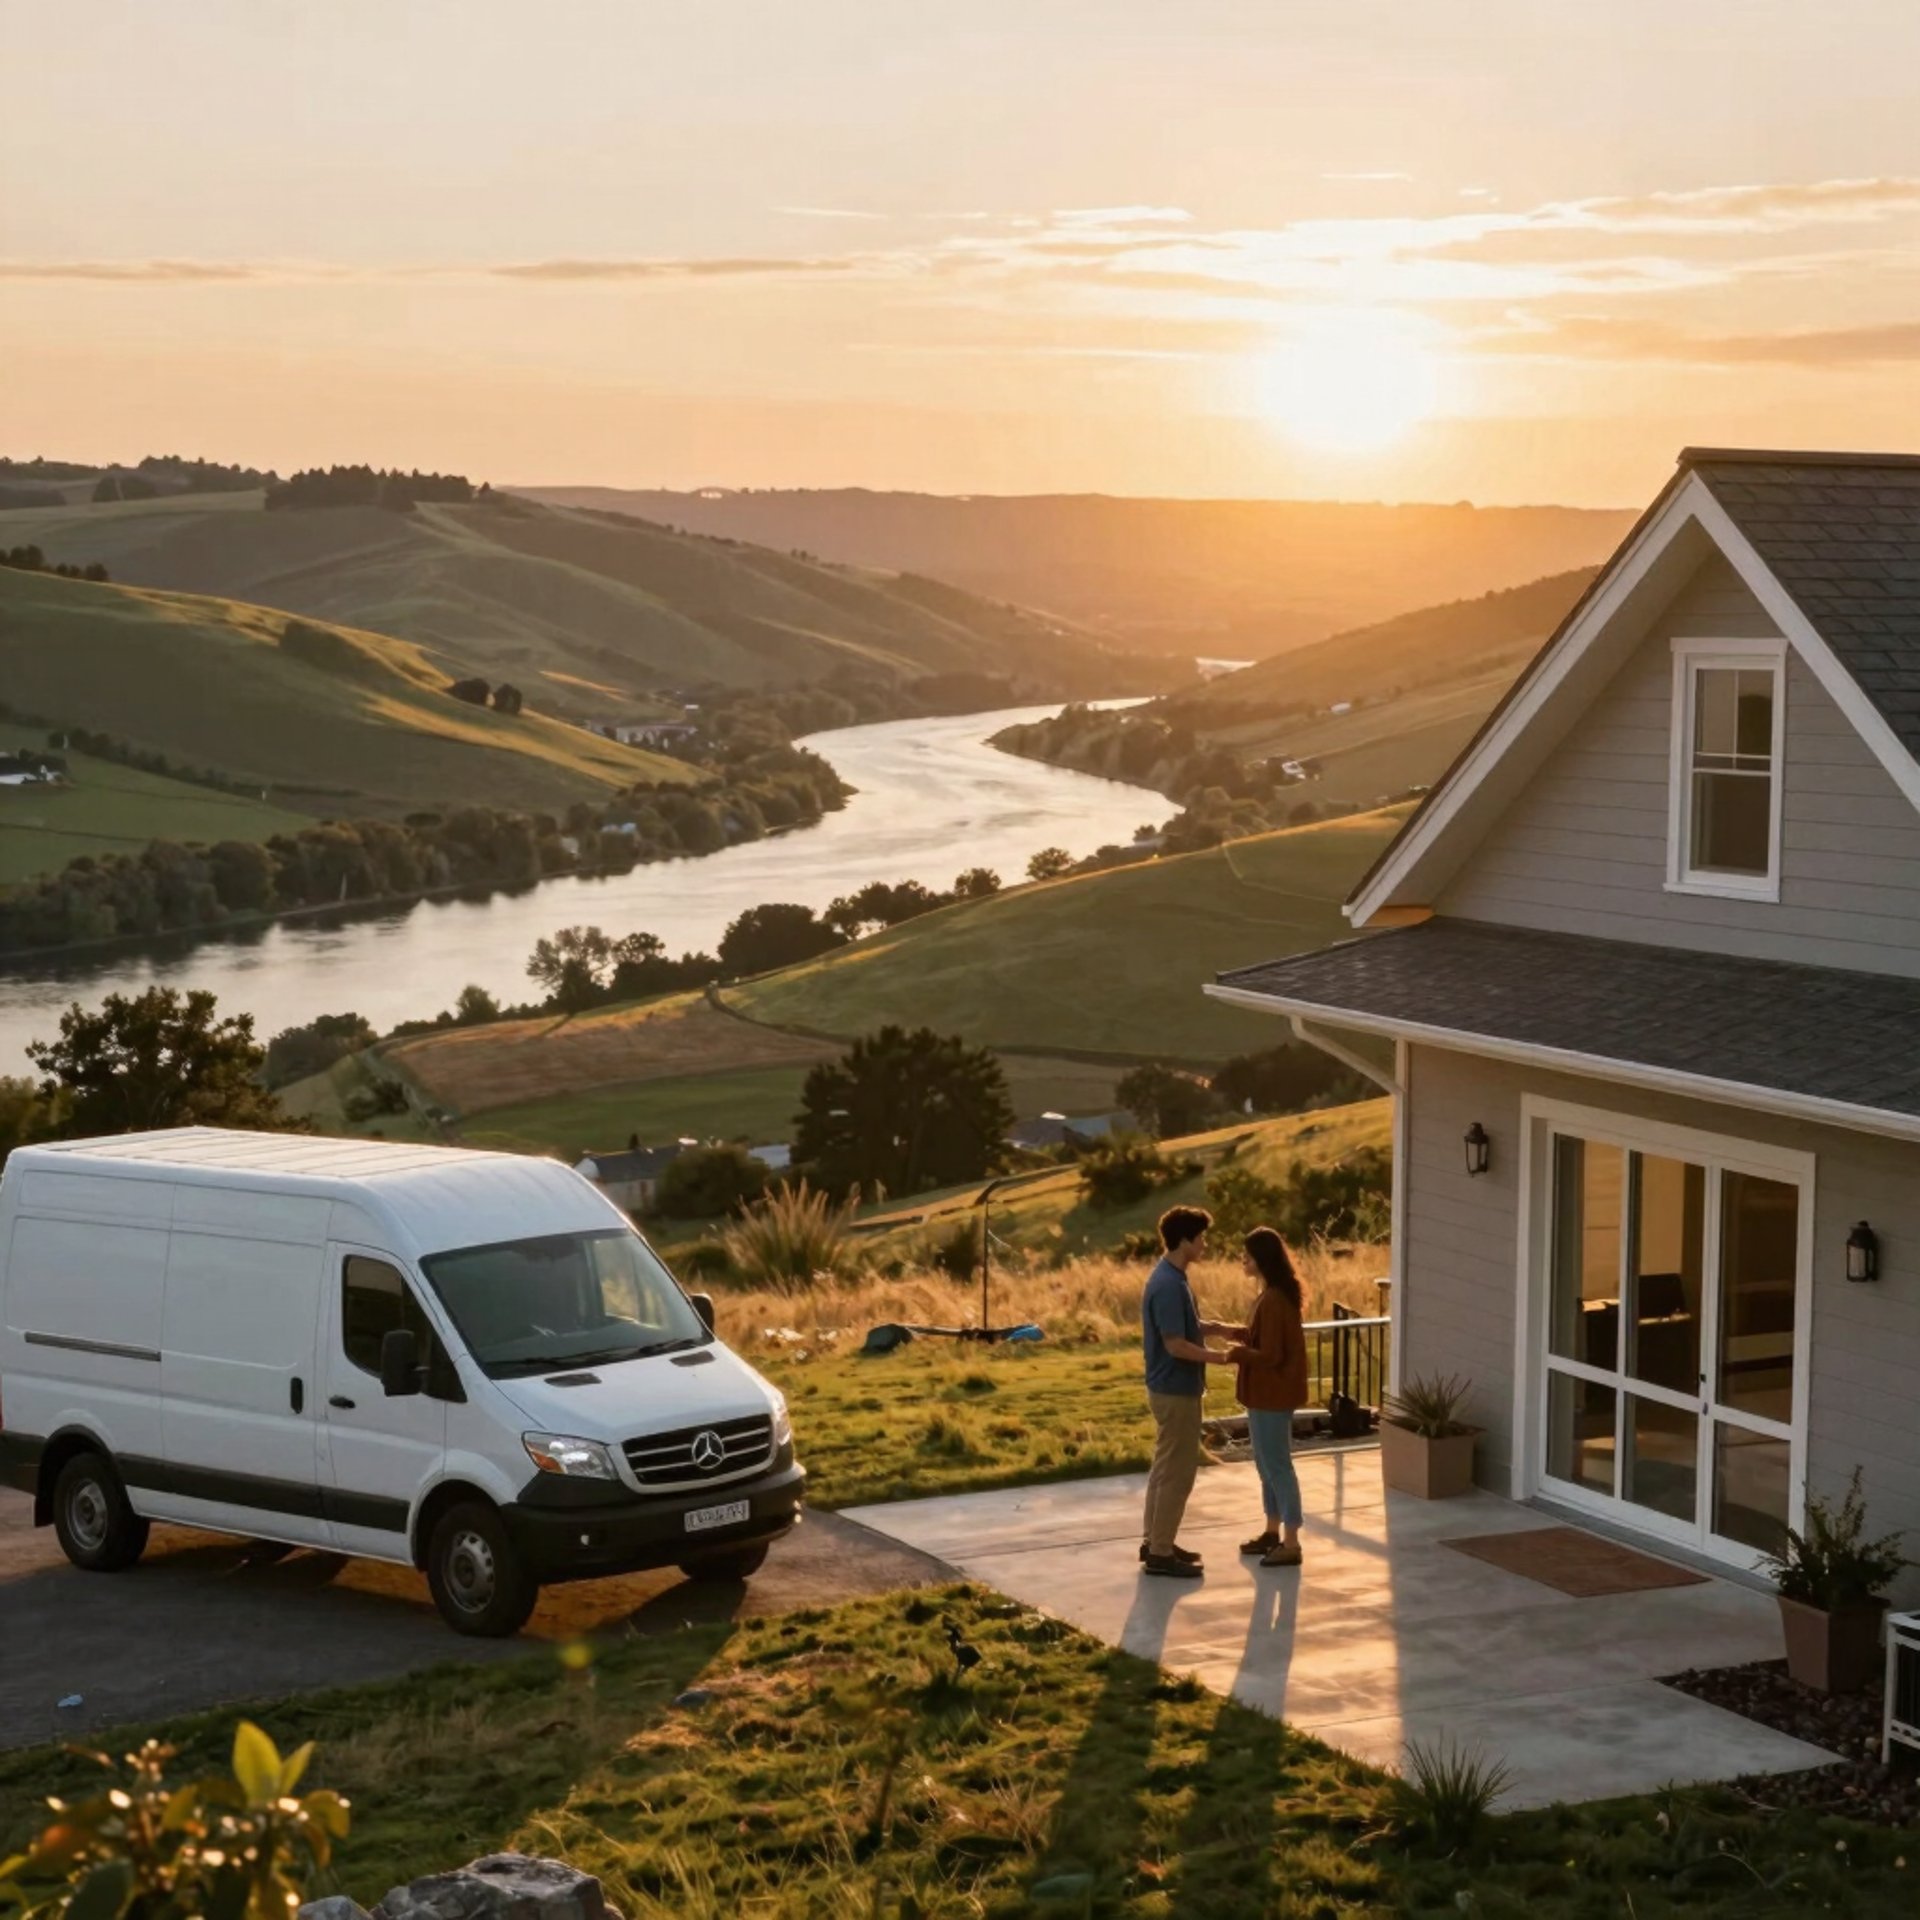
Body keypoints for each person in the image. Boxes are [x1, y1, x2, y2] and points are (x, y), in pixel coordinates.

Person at [1139, 1204, 1238, 1579]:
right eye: (1202, 1238)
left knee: (1163, 1468)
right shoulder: (1168, 1284)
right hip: (1175, 1390)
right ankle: (1161, 1553)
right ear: (1185, 1240)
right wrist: (1223, 1358)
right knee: (1178, 1473)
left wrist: (1219, 1328)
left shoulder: (1172, 1277)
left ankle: (1155, 1542)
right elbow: (1175, 1344)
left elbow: (1188, 1326)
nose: (1206, 1245)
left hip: (1170, 1388)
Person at [1228, 1226, 1310, 1567]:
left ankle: (1291, 1541)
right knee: (1265, 1465)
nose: (1242, 1260)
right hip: (1264, 1396)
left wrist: (1237, 1353)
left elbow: (1272, 1355)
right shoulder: (1271, 1295)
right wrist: (1237, 1335)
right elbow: (1264, 1341)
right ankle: (1272, 1530)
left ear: (1260, 1259)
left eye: (1246, 1254)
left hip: (1272, 1396)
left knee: (1277, 1466)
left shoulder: (1275, 1299)